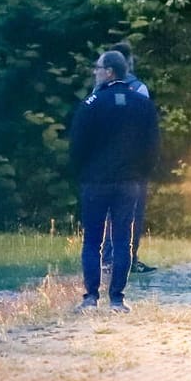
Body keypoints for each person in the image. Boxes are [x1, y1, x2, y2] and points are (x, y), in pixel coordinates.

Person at [71, 50, 160, 313]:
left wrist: (83, 172)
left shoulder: (92, 103)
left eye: (98, 67)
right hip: (129, 181)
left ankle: (90, 297)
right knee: (123, 240)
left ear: (109, 72)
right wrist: (141, 173)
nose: (95, 72)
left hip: (95, 181)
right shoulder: (143, 104)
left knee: (92, 240)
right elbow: (152, 146)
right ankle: (117, 299)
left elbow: (77, 145)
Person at [102, 41, 156, 274]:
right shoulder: (139, 89)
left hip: (104, 160)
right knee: (132, 211)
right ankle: (128, 258)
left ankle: (106, 258)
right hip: (132, 161)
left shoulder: (100, 90)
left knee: (107, 210)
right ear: (129, 62)